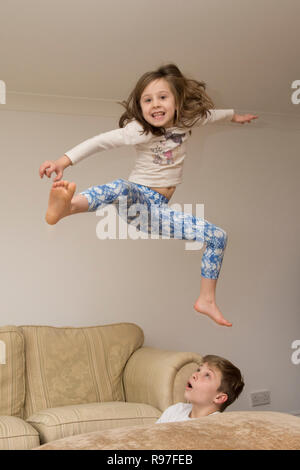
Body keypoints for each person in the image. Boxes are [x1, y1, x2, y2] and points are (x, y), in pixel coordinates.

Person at [39, 63, 258, 327]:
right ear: (140, 107)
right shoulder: (138, 130)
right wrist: (63, 161)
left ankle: (206, 299)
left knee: (218, 236)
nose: (155, 104)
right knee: (120, 186)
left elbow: (212, 115)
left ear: (177, 102)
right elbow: (100, 142)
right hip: (136, 199)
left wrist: (235, 116)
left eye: (162, 97)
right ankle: (68, 207)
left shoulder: (188, 120)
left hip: (157, 212)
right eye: (147, 99)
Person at [156, 355, 244, 423]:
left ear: (219, 398)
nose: (194, 375)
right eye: (198, 370)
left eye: (207, 375)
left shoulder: (215, 426)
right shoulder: (175, 410)